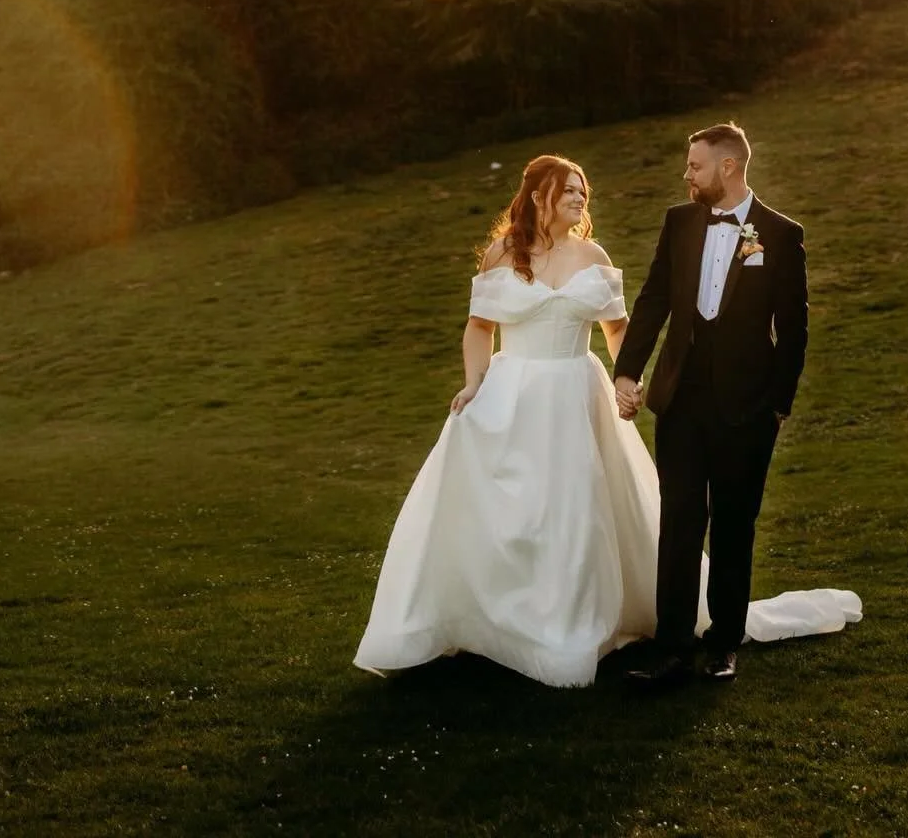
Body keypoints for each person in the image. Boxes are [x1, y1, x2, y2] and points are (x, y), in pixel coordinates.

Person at [353, 147, 859, 690]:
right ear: (538, 194)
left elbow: (621, 327)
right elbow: (479, 327)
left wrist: (628, 379)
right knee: (509, 512)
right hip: (512, 392)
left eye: (582, 192)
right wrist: (474, 382)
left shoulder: (593, 256)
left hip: (575, 393)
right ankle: (497, 622)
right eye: (568, 190)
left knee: (575, 511)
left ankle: (595, 626)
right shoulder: (501, 253)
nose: (578, 198)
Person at [613, 122, 815, 685]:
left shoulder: (779, 233)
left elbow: (793, 329)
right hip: (678, 399)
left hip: (747, 408)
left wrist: (778, 405)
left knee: (733, 526)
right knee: (678, 522)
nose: (687, 175)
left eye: (695, 166)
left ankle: (724, 644)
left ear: (728, 166)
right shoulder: (678, 223)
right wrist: (628, 370)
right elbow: (653, 298)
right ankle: (673, 649)